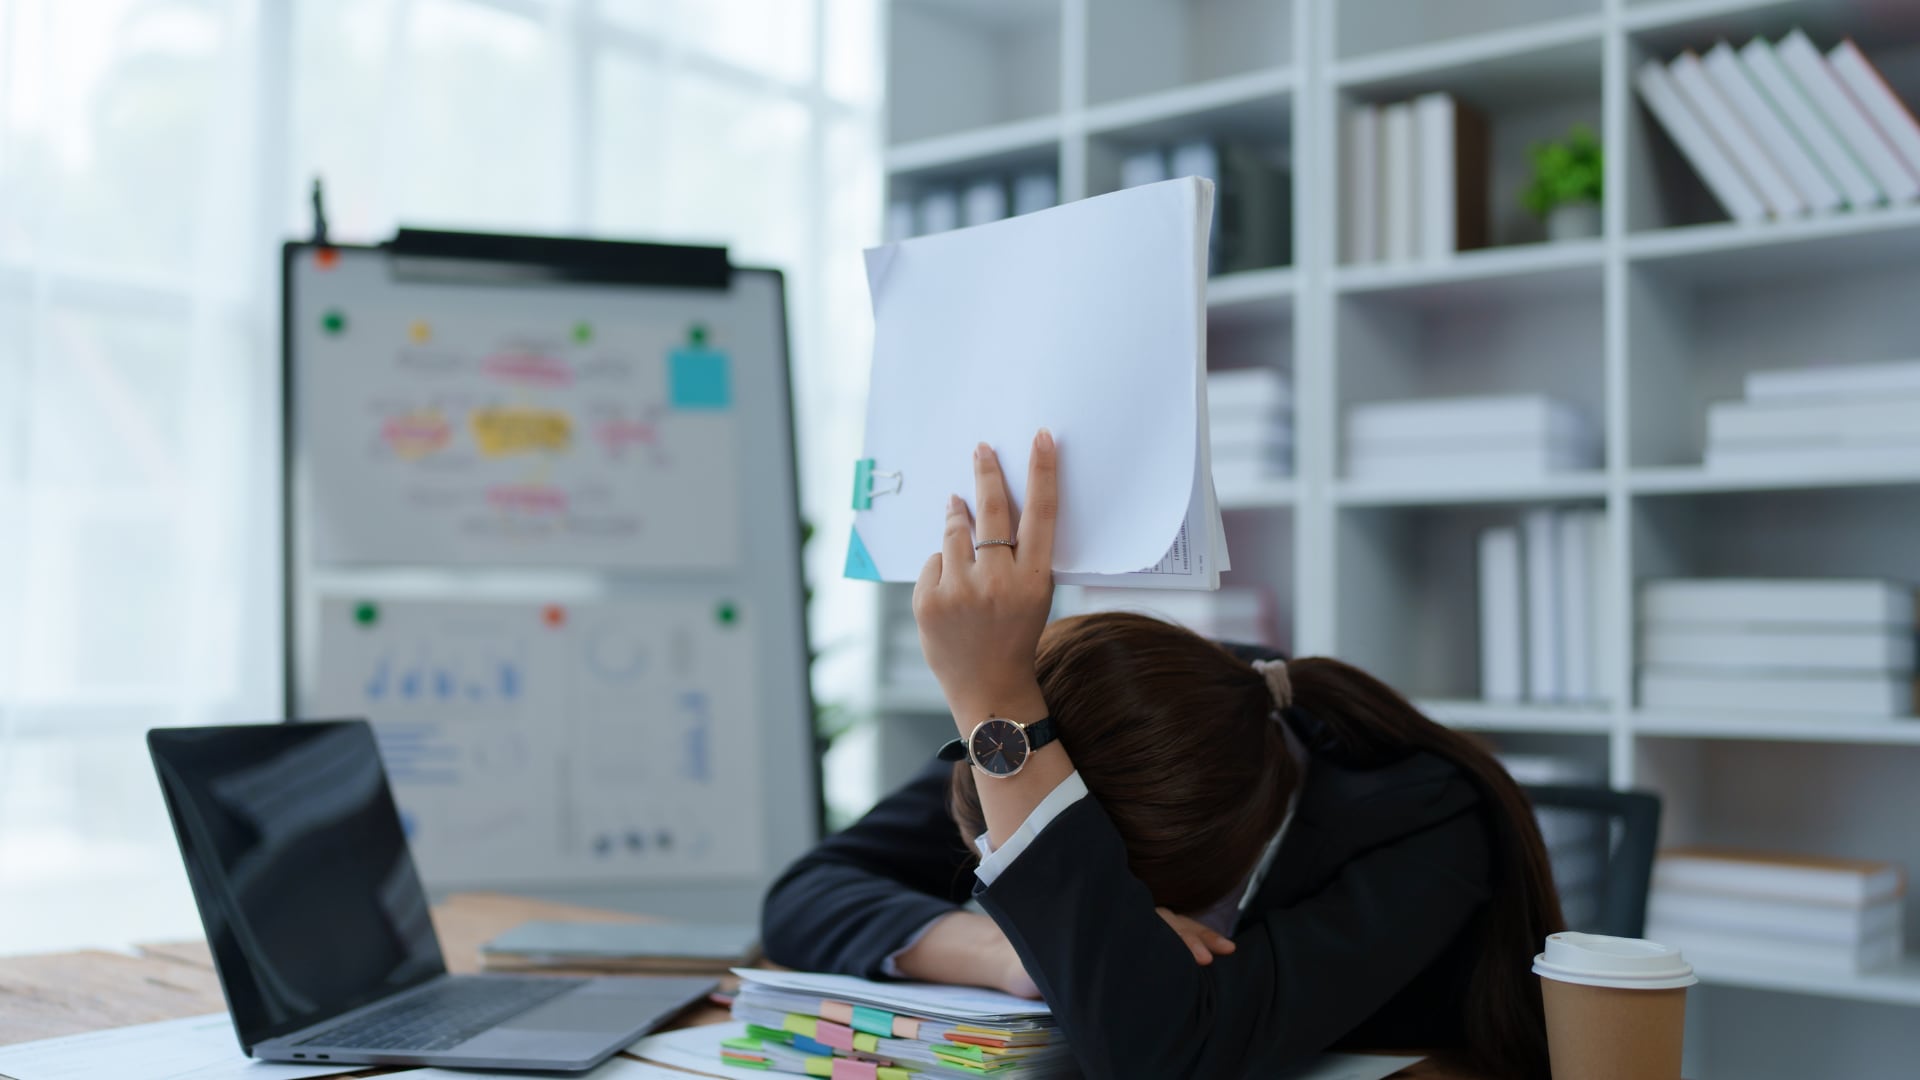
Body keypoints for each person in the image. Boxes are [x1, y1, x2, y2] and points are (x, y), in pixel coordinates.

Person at [764, 430, 1562, 1080]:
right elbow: (805, 898)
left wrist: (996, 703)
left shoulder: (1425, 821)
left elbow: (1161, 1055)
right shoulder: (1096, 711)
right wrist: (1008, 950)